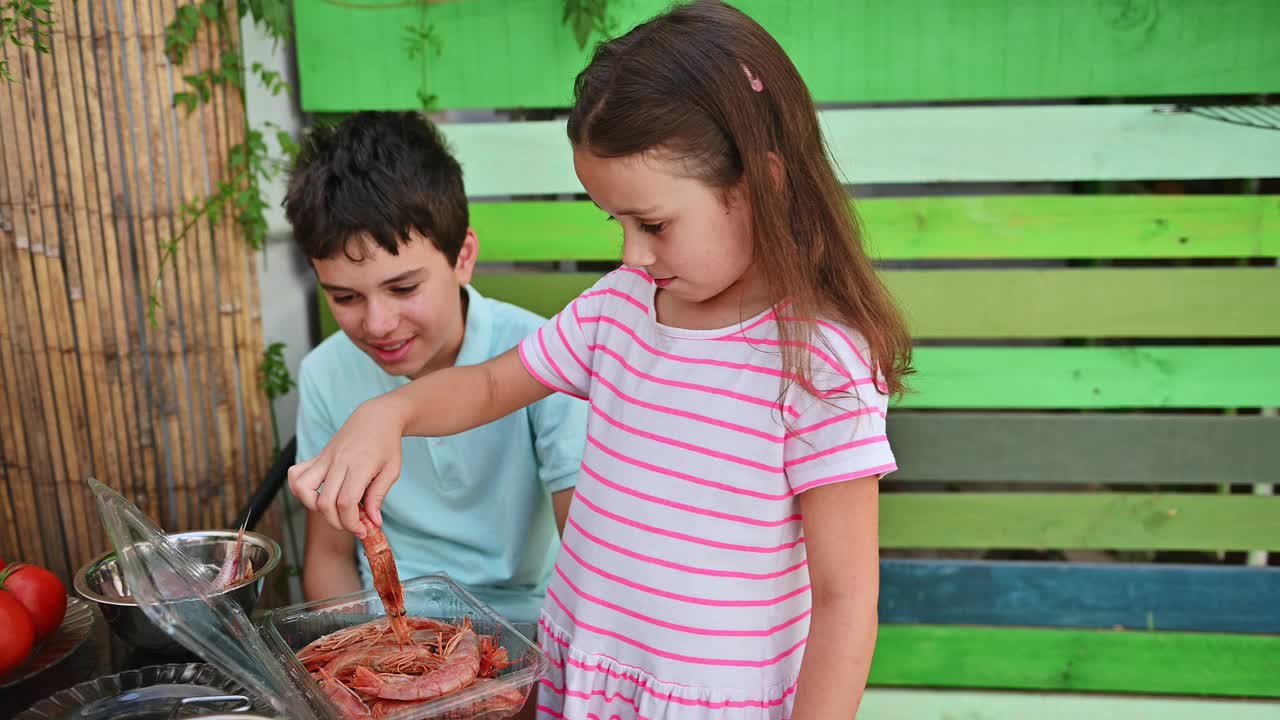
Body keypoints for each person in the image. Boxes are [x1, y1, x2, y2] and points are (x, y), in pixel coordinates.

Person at [288, 2, 914, 717]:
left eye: (653, 223)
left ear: (760, 184)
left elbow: (846, 600)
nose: (631, 253)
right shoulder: (618, 307)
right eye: (614, 221)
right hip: (587, 677)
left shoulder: (820, 361)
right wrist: (390, 411)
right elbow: (493, 384)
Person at [283, 111, 588, 628]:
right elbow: (331, 557)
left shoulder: (540, 356)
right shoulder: (325, 372)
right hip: (393, 627)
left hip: (528, 626)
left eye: (404, 289)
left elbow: (588, 561)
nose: (378, 324)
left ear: (463, 256)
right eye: (344, 297)